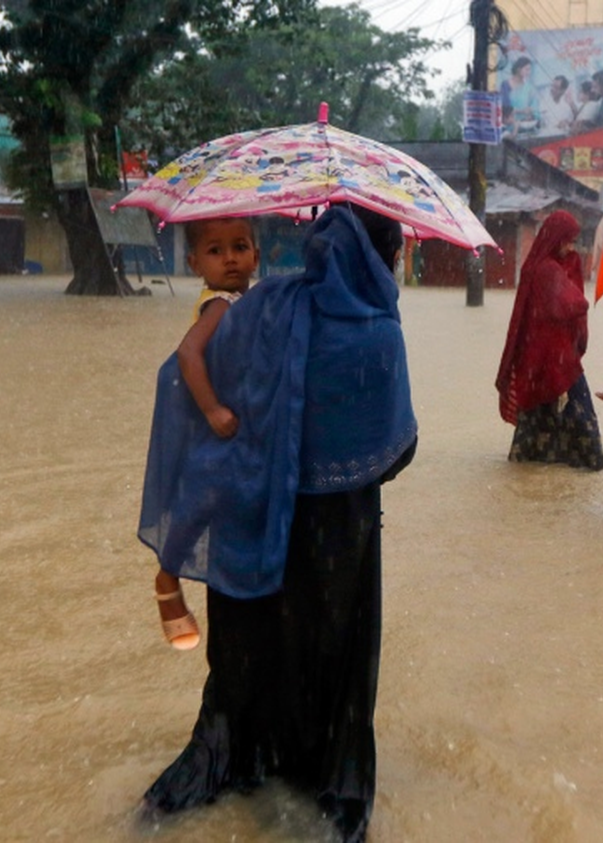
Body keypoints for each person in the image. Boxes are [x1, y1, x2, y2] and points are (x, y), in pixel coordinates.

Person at [136, 204, 418, 841]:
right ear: (380, 259)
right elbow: (397, 451)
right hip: (338, 537)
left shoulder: (262, 308)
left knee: (251, 658)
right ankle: (325, 781)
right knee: (331, 657)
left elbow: (195, 384)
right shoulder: (377, 331)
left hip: (256, 517)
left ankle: (235, 764)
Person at [153, 216, 259, 650]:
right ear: (195, 262)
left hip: (230, 417)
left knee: (207, 499)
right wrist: (212, 409)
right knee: (201, 498)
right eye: (216, 251)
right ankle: (167, 579)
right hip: (213, 421)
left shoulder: (245, 298)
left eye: (240, 246)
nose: (230, 258)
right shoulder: (220, 304)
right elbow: (187, 352)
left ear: (256, 252)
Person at [495, 210, 603, 469]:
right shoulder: (548, 270)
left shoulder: (535, 266)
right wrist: (580, 298)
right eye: (568, 241)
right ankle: (575, 464)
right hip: (557, 360)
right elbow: (573, 304)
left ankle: (535, 467)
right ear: (556, 239)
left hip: (535, 360)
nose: (571, 247)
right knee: (584, 428)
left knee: (535, 424)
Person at [501, 56, 539, 133]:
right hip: (509, 129)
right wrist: (521, 111)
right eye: (527, 69)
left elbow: (534, 106)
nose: (529, 72)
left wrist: (531, 113)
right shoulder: (505, 85)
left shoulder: (529, 87)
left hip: (526, 127)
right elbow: (504, 108)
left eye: (530, 69)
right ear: (518, 69)